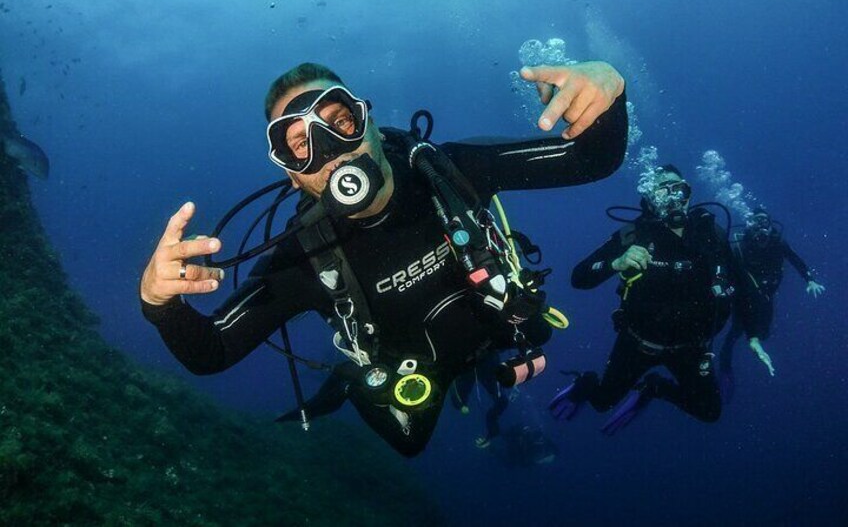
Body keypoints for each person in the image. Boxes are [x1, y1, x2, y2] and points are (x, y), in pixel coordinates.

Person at [140, 60, 628, 457]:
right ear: (293, 176)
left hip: (498, 321)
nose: (332, 151)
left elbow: (592, 160)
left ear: (368, 123)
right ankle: (351, 380)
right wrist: (159, 303)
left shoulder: (451, 171)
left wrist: (608, 87)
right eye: (301, 145)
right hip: (410, 370)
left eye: (341, 122)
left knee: (535, 331)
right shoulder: (303, 259)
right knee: (409, 443)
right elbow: (212, 353)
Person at [549, 165, 735, 434]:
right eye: (662, 191)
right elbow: (579, 278)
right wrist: (616, 262)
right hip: (638, 344)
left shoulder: (712, 234)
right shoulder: (634, 234)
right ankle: (585, 383)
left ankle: (655, 387)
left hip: (690, 348)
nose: (672, 198)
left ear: (689, 194)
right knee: (602, 402)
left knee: (710, 411)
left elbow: (739, 283)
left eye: (679, 189)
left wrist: (751, 331)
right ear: (649, 199)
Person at [717, 208, 825, 396]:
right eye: (756, 222)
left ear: (770, 225)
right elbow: (725, 271)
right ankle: (725, 372)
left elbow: (795, 259)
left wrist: (810, 279)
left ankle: (754, 343)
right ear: (749, 226)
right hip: (743, 299)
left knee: (764, 333)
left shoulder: (778, 244)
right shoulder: (740, 247)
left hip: (767, 296)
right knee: (735, 332)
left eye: (764, 222)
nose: (761, 228)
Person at [450, 350, 511, 448]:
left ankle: (493, 434)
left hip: (484, 362)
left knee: (501, 400)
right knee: (460, 402)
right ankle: (493, 434)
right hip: (476, 363)